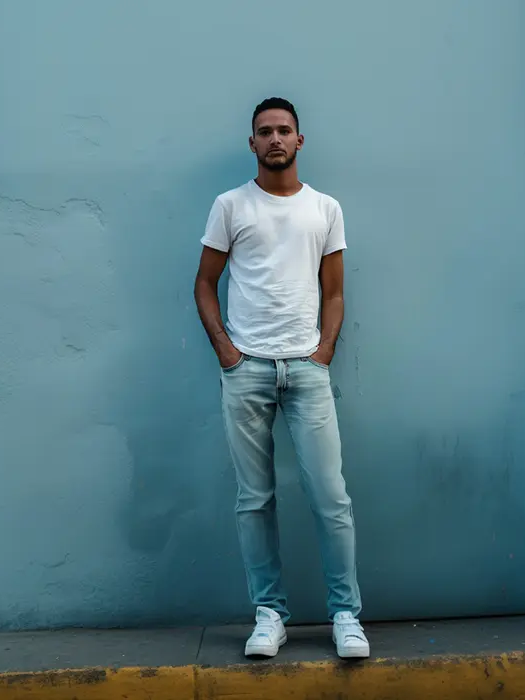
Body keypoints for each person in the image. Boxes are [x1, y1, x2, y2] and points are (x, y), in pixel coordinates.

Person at [193, 97, 369, 660]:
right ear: (252, 143)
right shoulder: (230, 205)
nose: (274, 139)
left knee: (331, 497)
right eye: (264, 131)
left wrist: (324, 351)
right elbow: (204, 283)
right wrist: (227, 352)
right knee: (255, 500)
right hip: (246, 371)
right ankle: (269, 613)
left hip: (306, 370)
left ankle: (346, 615)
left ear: (299, 140)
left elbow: (335, 290)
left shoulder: (325, 208)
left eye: (284, 131)